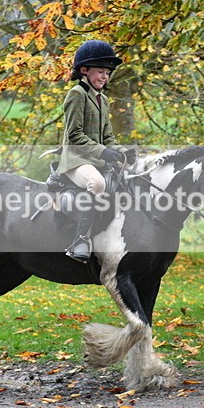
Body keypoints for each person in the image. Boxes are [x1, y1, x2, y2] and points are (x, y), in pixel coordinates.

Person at [57, 39, 136, 263]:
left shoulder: (103, 99)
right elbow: (74, 135)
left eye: (107, 73)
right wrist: (104, 153)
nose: (104, 77)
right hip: (75, 160)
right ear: (84, 70)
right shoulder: (76, 94)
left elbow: (108, 137)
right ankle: (80, 240)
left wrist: (122, 151)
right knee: (98, 184)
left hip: (96, 160)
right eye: (100, 71)